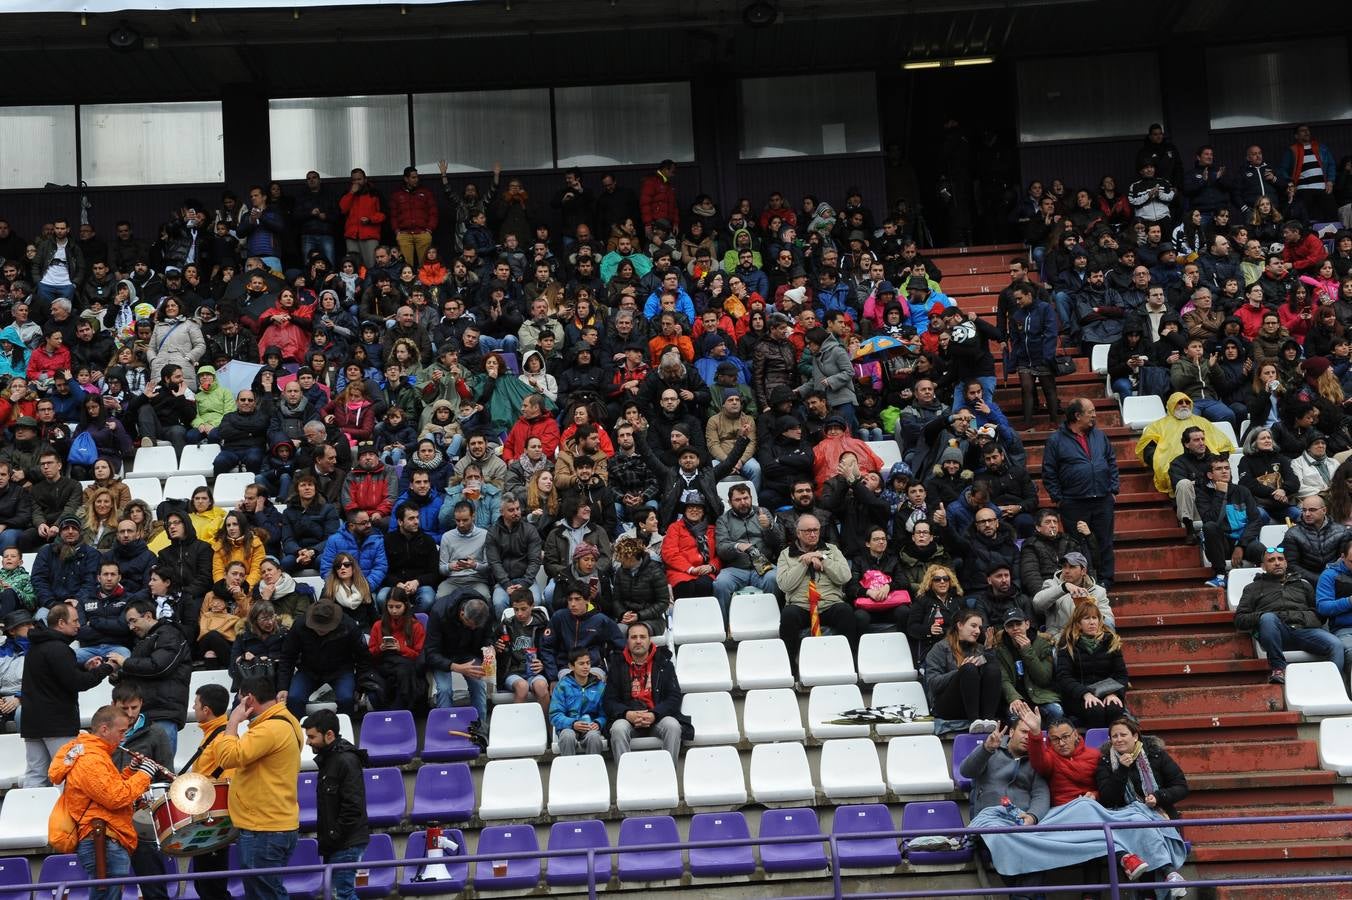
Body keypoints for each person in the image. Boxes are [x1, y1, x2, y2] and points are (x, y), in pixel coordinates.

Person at [47, 705, 159, 900]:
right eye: (121, 732)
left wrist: (131, 771)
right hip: (102, 840)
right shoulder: (90, 759)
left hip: (105, 838)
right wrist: (144, 775)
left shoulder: (95, 755)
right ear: (104, 729)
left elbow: (105, 793)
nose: (124, 737)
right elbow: (115, 798)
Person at [213, 675, 304, 900]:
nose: (237, 705)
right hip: (273, 825)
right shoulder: (288, 721)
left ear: (249, 700)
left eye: (239, 700)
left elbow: (228, 757)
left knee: (266, 895)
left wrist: (233, 722)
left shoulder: (269, 729)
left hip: (263, 829)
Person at [21, 603, 122, 787]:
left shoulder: (36, 647)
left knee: (35, 775)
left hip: (32, 723)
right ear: (61, 623)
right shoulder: (59, 649)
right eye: (75, 621)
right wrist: (108, 668)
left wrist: (83, 667)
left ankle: (32, 814)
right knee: (67, 775)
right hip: (57, 724)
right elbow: (77, 683)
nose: (79, 625)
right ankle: (65, 816)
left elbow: (54, 676)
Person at [1095, 715, 1191, 892]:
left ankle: (1153, 890)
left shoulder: (1155, 754)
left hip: (1159, 812)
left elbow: (1181, 786)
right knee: (1138, 822)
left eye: (1123, 735)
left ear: (1135, 736)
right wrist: (1121, 770)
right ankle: (1169, 873)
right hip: (1123, 818)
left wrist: (1159, 796)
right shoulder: (1106, 761)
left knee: (1144, 825)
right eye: (1114, 736)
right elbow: (1108, 798)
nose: (1119, 739)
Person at [958, 718, 1051, 898]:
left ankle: (1023, 896)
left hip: (1021, 823)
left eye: (1032, 734)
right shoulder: (991, 751)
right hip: (990, 824)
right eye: (1023, 732)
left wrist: (1031, 817)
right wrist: (985, 749)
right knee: (1010, 844)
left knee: (1039, 845)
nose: (1027, 737)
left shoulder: (1036, 761)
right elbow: (966, 771)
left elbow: (1041, 795)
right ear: (1011, 733)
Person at [1238, 545, 1345, 684]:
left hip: (1304, 631)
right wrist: (1266, 616)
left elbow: (1319, 614)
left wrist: (1295, 617)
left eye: (1280, 559)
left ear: (1286, 563)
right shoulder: (1252, 588)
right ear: (1263, 566)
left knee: (1336, 644)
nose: (1277, 563)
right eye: (1271, 560)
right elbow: (1240, 619)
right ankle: (1278, 669)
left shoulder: (1303, 585)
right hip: (1275, 633)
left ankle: (1333, 684)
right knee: (1268, 618)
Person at [1040, 398, 1119, 587]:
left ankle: (1106, 580)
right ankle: (1084, 581)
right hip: (1073, 502)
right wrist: (1059, 499)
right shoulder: (1056, 440)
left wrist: (1113, 489)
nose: (1094, 415)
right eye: (1090, 412)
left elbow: (1111, 462)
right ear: (1077, 416)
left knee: (1105, 540)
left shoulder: (1100, 436)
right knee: (1078, 543)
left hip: (1102, 498)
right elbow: (1049, 471)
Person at [109, 683, 174, 900]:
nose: (129, 714)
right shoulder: (104, 732)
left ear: (141, 705)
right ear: (113, 705)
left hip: (143, 814)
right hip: (110, 812)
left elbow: (166, 776)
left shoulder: (156, 733)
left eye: (134, 708)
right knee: (109, 883)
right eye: (124, 708)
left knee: (151, 879)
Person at [776, 513, 857, 679]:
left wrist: (823, 559)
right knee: (788, 615)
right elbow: (784, 585)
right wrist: (804, 562)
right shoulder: (786, 554)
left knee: (846, 611)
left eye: (816, 530)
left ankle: (851, 664)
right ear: (798, 533)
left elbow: (844, 577)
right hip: (802, 606)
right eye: (808, 531)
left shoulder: (831, 550)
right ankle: (791, 670)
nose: (813, 534)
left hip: (829, 604)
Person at [303, 708, 369, 900]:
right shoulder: (332, 760)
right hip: (340, 843)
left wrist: (334, 835)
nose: (308, 742)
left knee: (342, 895)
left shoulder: (344, 761)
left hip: (345, 844)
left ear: (329, 735)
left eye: (312, 737)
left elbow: (353, 806)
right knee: (340, 894)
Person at [604, 620, 690, 762]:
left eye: (642, 637)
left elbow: (674, 697)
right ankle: (625, 779)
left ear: (650, 640)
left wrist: (654, 714)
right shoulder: (617, 665)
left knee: (673, 726)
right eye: (633, 637)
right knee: (618, 729)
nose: (638, 641)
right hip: (628, 718)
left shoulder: (664, 663)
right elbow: (609, 701)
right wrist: (627, 714)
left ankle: (669, 775)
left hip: (657, 717)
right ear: (627, 641)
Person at [119, 596, 193, 753]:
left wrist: (125, 663)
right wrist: (117, 675)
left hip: (163, 713)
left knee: (162, 771)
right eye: (128, 623)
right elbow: (140, 673)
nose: (131, 627)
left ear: (147, 616)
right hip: (147, 713)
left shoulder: (169, 634)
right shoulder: (147, 640)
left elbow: (159, 667)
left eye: (133, 620)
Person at [278, 599, 371, 720]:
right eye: (317, 627)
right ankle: (299, 733)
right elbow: (287, 656)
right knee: (294, 698)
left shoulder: (349, 626)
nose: (321, 630)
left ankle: (345, 731)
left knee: (347, 699)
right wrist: (283, 687)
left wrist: (360, 687)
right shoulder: (300, 625)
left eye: (325, 627)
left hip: (341, 670)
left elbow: (363, 657)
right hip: (308, 670)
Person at [924, 609, 1002, 732]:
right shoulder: (940, 648)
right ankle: (974, 721)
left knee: (992, 669)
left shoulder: (980, 649)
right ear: (960, 625)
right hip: (948, 706)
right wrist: (959, 672)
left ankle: (988, 720)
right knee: (969, 669)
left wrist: (989, 652)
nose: (977, 631)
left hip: (976, 704)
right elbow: (933, 685)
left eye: (979, 628)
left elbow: (993, 679)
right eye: (973, 626)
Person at [1055, 602, 1129, 730]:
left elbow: (1121, 675)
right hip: (1078, 696)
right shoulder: (1067, 644)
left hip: (1107, 691)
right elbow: (1064, 677)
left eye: (1095, 618)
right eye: (1087, 618)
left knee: (1114, 708)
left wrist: (1114, 693)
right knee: (1095, 709)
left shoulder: (1111, 641)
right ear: (1078, 623)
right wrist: (1085, 694)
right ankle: (1097, 747)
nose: (1092, 622)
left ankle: (1115, 745)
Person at [426, 593, 496, 721]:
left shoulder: (486, 610)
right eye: (470, 625)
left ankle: (480, 726)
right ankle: (445, 727)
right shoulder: (438, 612)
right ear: (462, 613)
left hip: (468, 652)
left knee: (479, 684)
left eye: (477, 627)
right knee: (444, 689)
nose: (473, 628)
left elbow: (487, 636)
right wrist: (456, 667)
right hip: (442, 654)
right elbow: (431, 653)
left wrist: (489, 647)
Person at [994, 607, 1062, 722]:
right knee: (1014, 717)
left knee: (1056, 712)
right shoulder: (1000, 650)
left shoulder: (1043, 644)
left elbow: (1043, 679)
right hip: (1017, 698)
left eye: (1018, 624)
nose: (1015, 628)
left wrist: (1027, 651)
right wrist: (1014, 698)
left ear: (1027, 624)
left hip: (1040, 696)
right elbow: (1004, 680)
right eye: (1010, 626)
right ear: (1005, 628)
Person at [1031, 551, 1114, 642]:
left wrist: (1089, 608)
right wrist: (1063, 588)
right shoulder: (1052, 584)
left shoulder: (1098, 591)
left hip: (1088, 639)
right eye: (1064, 567)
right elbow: (1037, 604)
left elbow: (1108, 621)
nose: (1066, 571)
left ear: (1083, 571)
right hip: (1059, 639)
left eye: (1072, 567)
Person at [367, 587, 426, 711]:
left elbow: (419, 655)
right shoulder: (378, 625)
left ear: (405, 605)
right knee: (401, 673)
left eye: (397, 607)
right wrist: (380, 648)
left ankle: (397, 711)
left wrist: (401, 649)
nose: (393, 611)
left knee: (404, 670)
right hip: (384, 666)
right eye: (390, 606)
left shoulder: (415, 626)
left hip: (407, 667)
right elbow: (370, 653)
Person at [495, 586, 551, 711]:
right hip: (513, 672)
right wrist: (496, 648)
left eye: (524, 609)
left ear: (532, 606)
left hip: (535, 671)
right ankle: (518, 726)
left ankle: (547, 727)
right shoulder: (506, 625)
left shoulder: (543, 625)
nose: (519, 613)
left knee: (542, 686)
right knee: (522, 686)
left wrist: (543, 665)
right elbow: (493, 648)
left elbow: (550, 650)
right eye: (516, 609)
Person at [550, 645, 607, 756]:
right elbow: (554, 715)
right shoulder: (562, 686)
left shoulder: (599, 686)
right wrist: (573, 723)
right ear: (571, 666)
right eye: (581, 664)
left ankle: (593, 771)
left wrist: (598, 723)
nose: (586, 667)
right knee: (567, 736)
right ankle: (569, 771)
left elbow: (605, 713)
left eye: (588, 663)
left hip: (591, 727)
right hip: (568, 727)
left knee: (594, 737)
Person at [1286, 495, 1350, 584]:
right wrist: (1319, 579)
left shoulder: (1341, 531)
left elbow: (1344, 561)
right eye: (1304, 510)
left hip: (1336, 579)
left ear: (1324, 510)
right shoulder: (1293, 533)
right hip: (1305, 582)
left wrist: (1329, 577)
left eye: (1312, 510)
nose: (1307, 514)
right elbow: (1291, 565)